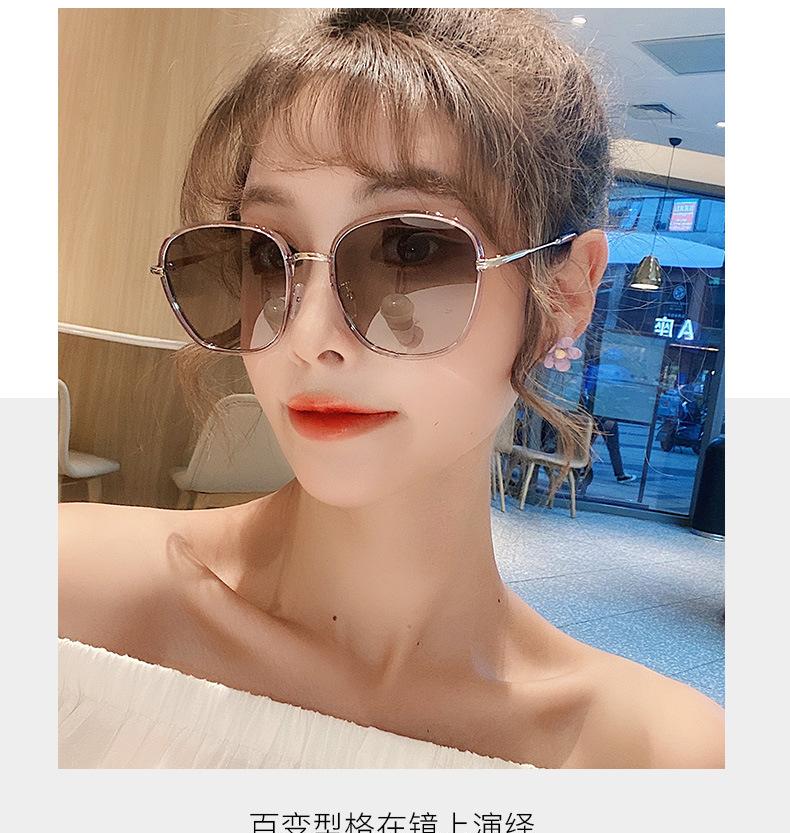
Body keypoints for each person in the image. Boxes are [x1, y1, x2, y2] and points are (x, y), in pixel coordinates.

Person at [59, 8, 723, 769]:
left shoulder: (657, 760)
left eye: (410, 249)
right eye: (268, 256)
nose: (308, 335)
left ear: (567, 292)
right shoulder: (61, 595)